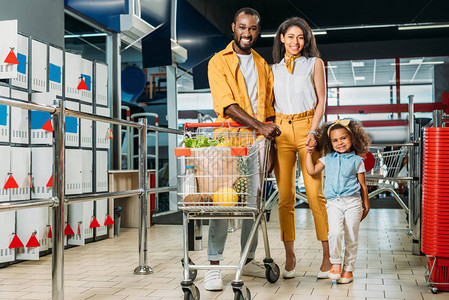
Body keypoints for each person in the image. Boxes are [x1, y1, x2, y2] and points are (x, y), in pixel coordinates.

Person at [205, 7, 281, 291]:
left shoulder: (263, 65)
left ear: (257, 31)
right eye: (242, 27)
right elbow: (227, 105)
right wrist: (260, 126)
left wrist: (269, 144)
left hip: (259, 146)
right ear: (233, 28)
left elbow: (270, 111)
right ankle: (213, 266)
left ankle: (248, 259)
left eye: (252, 28)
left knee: (253, 203)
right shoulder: (219, 62)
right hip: (229, 142)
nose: (246, 33)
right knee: (223, 203)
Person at [271, 17, 330, 279]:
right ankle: (289, 254)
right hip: (281, 131)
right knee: (285, 197)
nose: (296, 42)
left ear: (306, 41)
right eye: (291, 36)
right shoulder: (272, 69)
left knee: (316, 195)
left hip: (308, 128)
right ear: (282, 38)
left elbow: (321, 100)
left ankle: (329, 256)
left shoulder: (314, 64)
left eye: (301, 37)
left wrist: (313, 132)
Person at [306, 119, 371, 283]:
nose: (340, 142)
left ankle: (348, 270)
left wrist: (367, 206)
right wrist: (308, 153)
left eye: (343, 138)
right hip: (333, 203)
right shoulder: (327, 159)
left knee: (351, 236)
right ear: (330, 142)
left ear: (352, 139)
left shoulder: (357, 161)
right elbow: (311, 170)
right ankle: (335, 263)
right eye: (335, 140)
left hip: (353, 203)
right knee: (334, 232)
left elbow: (363, 185)